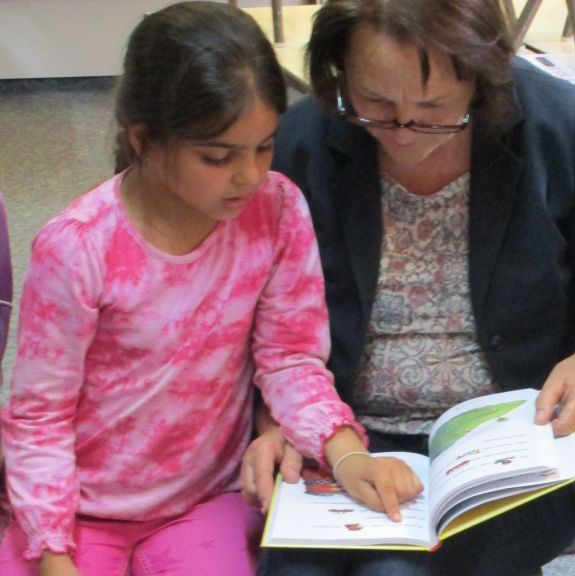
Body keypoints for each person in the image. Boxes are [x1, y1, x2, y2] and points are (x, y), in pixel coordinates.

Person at [242, 0, 575, 574]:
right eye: (376, 104)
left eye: (435, 108)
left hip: (512, 437)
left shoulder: (553, 125)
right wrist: (276, 423)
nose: (404, 134)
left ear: (482, 80)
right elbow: (258, 326)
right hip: (343, 432)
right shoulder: (305, 140)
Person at [0, 3, 421, 575]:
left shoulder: (276, 210)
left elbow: (290, 359)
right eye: (218, 157)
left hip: (205, 501)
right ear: (145, 139)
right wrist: (53, 554)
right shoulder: (78, 247)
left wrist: (346, 455)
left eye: (265, 146)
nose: (249, 175)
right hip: (78, 509)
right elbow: (38, 418)